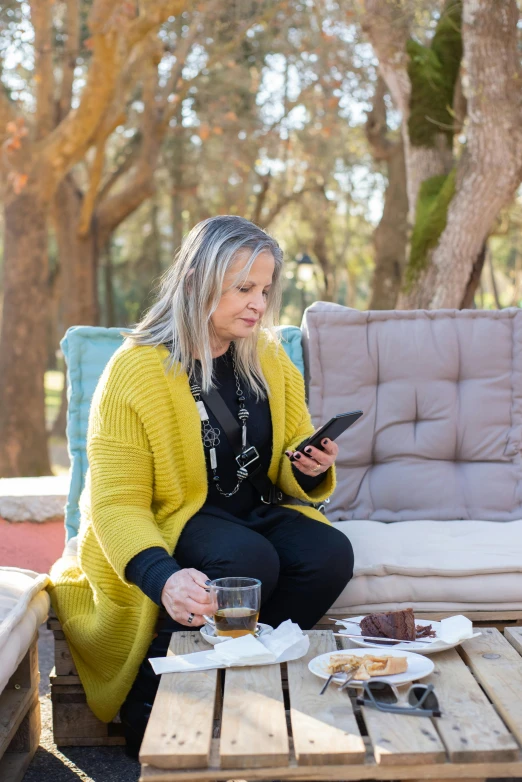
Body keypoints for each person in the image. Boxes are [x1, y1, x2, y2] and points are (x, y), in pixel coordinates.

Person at [49, 215, 354, 759]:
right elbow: (114, 503)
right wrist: (161, 577)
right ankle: (157, 699)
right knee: (246, 561)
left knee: (328, 552)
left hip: (250, 507)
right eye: (243, 289)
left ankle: (248, 673)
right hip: (174, 516)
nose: (259, 303)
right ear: (196, 282)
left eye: (264, 289)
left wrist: (308, 467)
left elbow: (284, 459)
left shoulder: (268, 358)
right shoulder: (135, 370)